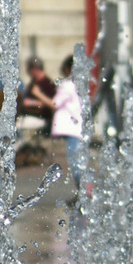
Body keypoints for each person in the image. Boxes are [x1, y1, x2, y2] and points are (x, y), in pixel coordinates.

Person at [50, 55, 84, 194]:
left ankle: (84, 194)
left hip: (72, 129)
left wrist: (37, 94)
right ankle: (83, 194)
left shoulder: (67, 85)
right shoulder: (79, 86)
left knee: (75, 163)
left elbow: (54, 104)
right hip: (78, 128)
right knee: (79, 162)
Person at [21, 57, 56, 123]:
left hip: (42, 119)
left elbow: (52, 104)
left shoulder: (48, 84)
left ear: (34, 69)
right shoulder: (33, 83)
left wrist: (32, 102)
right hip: (29, 116)